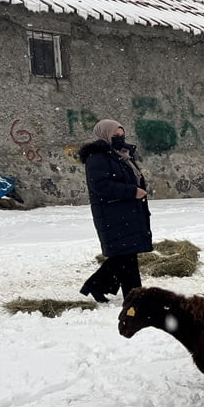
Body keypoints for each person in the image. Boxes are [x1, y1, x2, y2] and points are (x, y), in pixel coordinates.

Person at [78, 119, 153, 302]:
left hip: (127, 211)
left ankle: (97, 286)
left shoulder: (121, 154)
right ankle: (134, 296)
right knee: (125, 256)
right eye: (115, 135)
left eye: (122, 134)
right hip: (112, 213)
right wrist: (132, 191)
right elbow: (100, 186)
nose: (120, 138)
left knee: (124, 254)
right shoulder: (97, 156)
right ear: (104, 135)